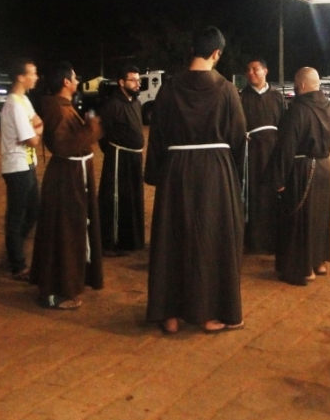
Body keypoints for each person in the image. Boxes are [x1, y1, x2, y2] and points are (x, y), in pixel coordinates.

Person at [145, 26, 247, 334]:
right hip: (215, 172)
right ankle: (208, 314)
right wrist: (233, 174)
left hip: (176, 170)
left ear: (193, 49)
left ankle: (169, 314)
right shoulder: (226, 89)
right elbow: (238, 137)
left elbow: (157, 136)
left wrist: (156, 173)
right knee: (212, 240)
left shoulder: (168, 88)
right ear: (217, 53)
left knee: (172, 240)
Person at [29, 62, 103, 310]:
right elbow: (63, 145)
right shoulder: (59, 110)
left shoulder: (63, 107)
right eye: (74, 77)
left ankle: (65, 284)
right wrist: (92, 128)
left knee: (69, 231)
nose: (77, 81)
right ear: (66, 82)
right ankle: (53, 292)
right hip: (66, 178)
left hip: (71, 176)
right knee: (62, 233)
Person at [270, 67, 330, 286]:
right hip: (324, 167)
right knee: (320, 217)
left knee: (300, 219)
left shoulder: (297, 109)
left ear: (300, 85)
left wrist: (278, 179)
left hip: (302, 169)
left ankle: (304, 268)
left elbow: (285, 146)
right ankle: (319, 262)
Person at [0, 58, 43, 281]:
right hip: (16, 167)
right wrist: (37, 130)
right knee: (16, 217)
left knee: (33, 211)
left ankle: (13, 252)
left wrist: (36, 129)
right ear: (20, 77)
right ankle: (17, 264)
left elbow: (37, 124)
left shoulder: (24, 100)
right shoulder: (15, 105)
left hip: (27, 164)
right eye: (32, 73)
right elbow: (32, 140)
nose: (36, 77)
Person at [97, 64, 145, 255]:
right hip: (118, 158)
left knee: (132, 200)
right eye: (133, 80)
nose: (137, 84)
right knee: (116, 200)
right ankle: (111, 243)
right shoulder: (112, 105)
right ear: (121, 82)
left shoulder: (136, 103)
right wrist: (113, 152)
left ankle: (130, 241)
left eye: (138, 80)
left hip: (135, 158)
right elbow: (102, 133)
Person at [239, 57, 286, 254]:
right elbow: (234, 126)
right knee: (253, 196)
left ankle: (273, 241)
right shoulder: (241, 97)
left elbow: (285, 126)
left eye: (255, 69)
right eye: (248, 69)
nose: (251, 72)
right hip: (251, 156)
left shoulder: (277, 97)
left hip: (273, 154)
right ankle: (252, 242)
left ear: (265, 71)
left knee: (272, 195)